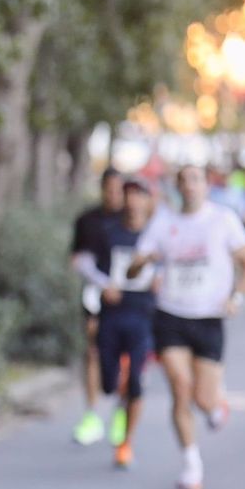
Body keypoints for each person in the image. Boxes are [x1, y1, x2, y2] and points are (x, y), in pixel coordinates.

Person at [126, 164, 245, 489]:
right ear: (177, 187)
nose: (189, 186)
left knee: (202, 398)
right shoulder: (163, 222)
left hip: (209, 317)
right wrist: (143, 262)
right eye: (184, 181)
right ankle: (191, 463)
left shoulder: (222, 219)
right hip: (170, 315)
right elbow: (132, 269)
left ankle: (215, 404)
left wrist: (236, 297)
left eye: (196, 180)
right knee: (180, 387)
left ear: (206, 185)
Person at [77, 177, 157, 469]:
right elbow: (83, 262)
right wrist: (103, 285)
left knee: (136, 381)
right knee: (108, 384)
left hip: (143, 315)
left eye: (139, 195)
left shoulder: (156, 235)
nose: (133, 201)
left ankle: (126, 443)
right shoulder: (107, 231)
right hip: (112, 314)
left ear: (148, 200)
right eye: (129, 195)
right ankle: (117, 398)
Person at [68, 168, 126, 445]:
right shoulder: (87, 220)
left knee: (125, 357)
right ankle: (91, 414)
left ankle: (122, 412)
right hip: (96, 295)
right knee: (93, 351)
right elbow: (77, 259)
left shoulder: (134, 219)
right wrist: (103, 284)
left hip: (129, 299)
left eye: (118, 190)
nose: (113, 195)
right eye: (109, 189)